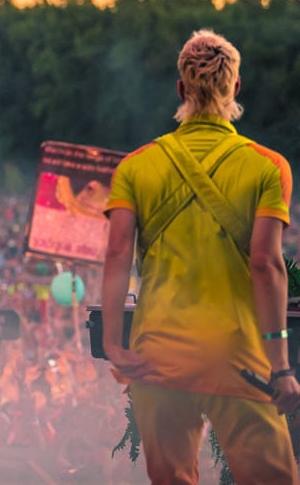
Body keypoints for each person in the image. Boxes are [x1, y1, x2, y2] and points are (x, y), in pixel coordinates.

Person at [101, 29, 300, 484]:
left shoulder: (135, 166)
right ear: (236, 87)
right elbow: (266, 265)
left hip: (158, 360)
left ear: (180, 89)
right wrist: (282, 366)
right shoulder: (268, 166)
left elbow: (116, 253)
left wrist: (115, 344)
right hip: (240, 360)